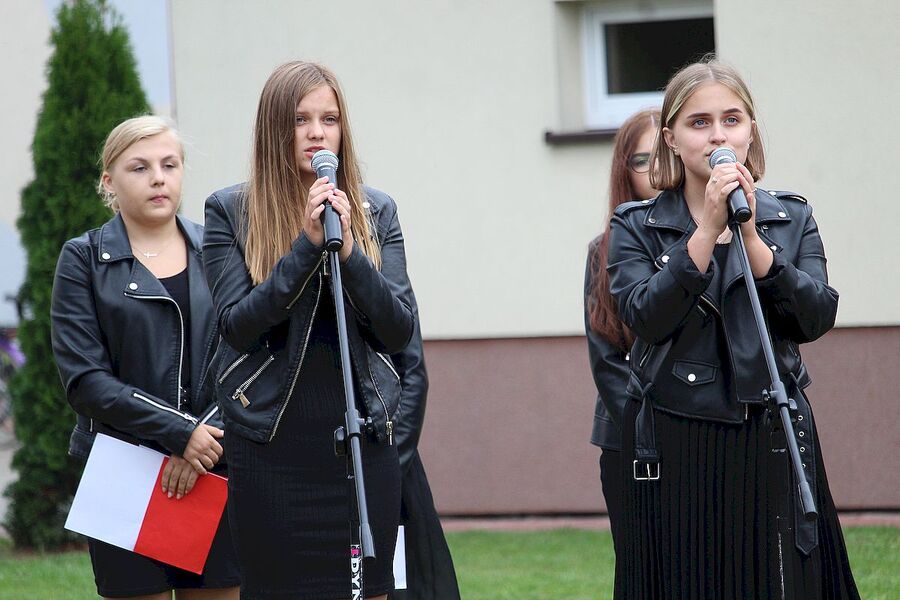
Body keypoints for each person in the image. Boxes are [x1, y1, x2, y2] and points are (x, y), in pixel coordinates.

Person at [606, 59, 859, 599]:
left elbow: (815, 317)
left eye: (732, 119)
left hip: (772, 428)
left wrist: (751, 242)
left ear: (750, 130)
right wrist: (706, 231)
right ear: (671, 138)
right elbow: (645, 316)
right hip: (679, 437)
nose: (718, 135)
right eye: (699, 122)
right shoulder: (636, 224)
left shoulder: (790, 217)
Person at [203, 61, 412, 599]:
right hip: (270, 449)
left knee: (371, 591)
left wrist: (346, 253)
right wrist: (305, 248)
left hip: (360, 448)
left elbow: (399, 328)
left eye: (330, 119)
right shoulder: (231, 211)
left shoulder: (375, 211)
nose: (318, 133)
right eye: (301, 120)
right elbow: (237, 326)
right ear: (275, 129)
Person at [50, 116, 240, 600]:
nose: (158, 177)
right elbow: (85, 381)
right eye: (140, 167)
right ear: (109, 182)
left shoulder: (219, 249)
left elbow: (250, 358)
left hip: (214, 467)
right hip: (123, 473)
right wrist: (180, 433)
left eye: (169, 164)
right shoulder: (83, 260)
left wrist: (200, 444)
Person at [583, 108, 660, 567]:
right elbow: (606, 359)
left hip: (705, 436)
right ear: (623, 171)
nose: (654, 171)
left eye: (662, 156)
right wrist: (651, 430)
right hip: (629, 440)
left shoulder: (711, 236)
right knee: (642, 570)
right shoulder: (604, 250)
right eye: (640, 160)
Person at [387, 301, 461, 600]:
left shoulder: (380, 259)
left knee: (399, 587)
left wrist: (388, 469)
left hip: (386, 466)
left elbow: (413, 374)